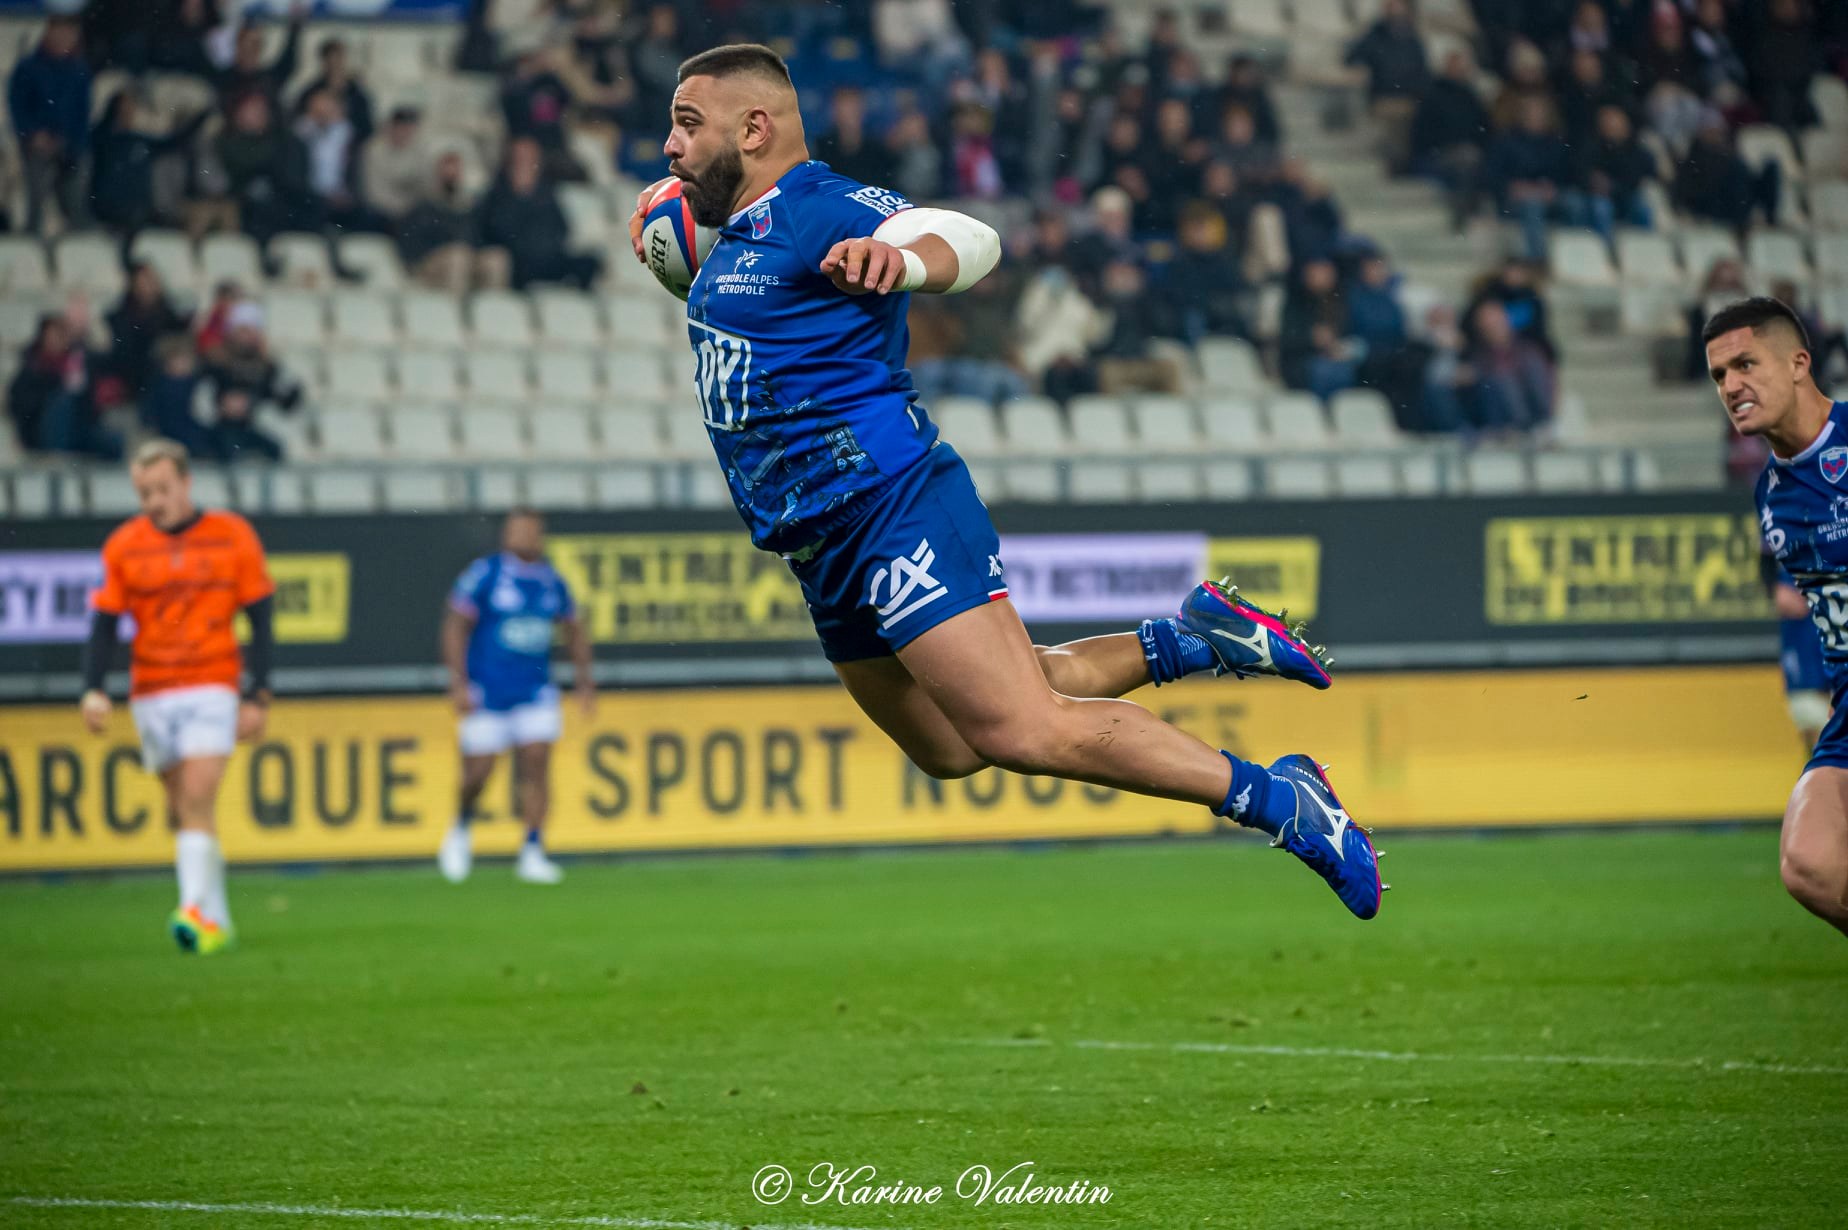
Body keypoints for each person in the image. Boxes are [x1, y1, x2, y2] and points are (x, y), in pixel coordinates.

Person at [627, 44, 1384, 919]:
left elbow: (961, 236)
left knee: (1022, 728)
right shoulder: (727, 242)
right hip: (818, 546)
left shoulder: (816, 205)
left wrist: (903, 261)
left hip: (889, 506)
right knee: (953, 747)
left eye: (688, 125)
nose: (671, 147)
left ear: (754, 129)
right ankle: (1191, 638)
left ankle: (1281, 800)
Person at [79, 439, 276, 954]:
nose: (154, 501)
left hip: (213, 684)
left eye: (163, 489)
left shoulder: (232, 536)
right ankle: (218, 916)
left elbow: (260, 617)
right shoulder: (124, 546)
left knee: (197, 795)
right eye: (144, 492)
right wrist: (93, 689)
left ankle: (190, 909)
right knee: (183, 810)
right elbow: (104, 624)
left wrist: (259, 694)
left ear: (187, 483)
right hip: (152, 690)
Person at [1707, 296, 1848, 936]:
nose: (1732, 385)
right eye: (1718, 376)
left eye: (1745, 363)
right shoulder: (1770, 493)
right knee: (1808, 863)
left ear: (1798, 362)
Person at [437, 509, 594, 886]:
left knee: (536, 764)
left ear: (540, 535)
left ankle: (533, 849)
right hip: (486, 690)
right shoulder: (486, 574)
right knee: (478, 772)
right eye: (515, 529)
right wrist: (458, 682)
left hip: (535, 690)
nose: (521, 536)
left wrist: (584, 682)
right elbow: (456, 625)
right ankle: (460, 827)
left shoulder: (551, 581)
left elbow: (574, 630)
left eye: (528, 530)